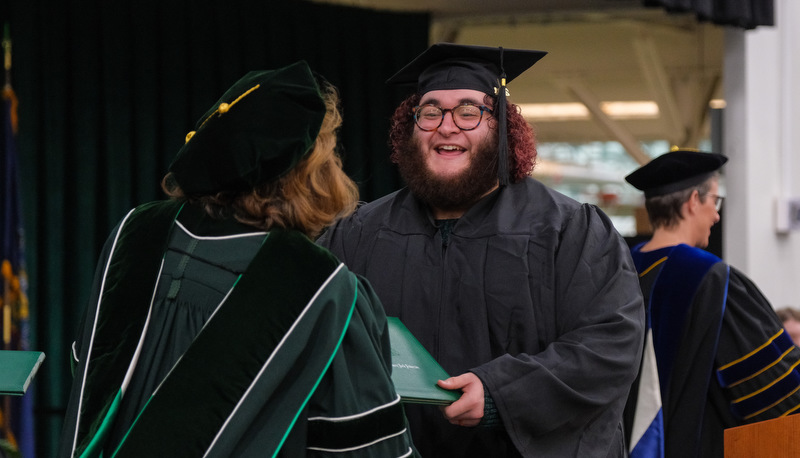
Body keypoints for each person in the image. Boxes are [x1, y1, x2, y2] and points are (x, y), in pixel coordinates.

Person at [57, 61, 417, 457]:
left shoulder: (135, 234)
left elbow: (93, 373)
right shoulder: (322, 289)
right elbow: (364, 446)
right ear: (305, 172)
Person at [318, 42, 645, 457]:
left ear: (502, 128)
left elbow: (608, 346)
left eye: (469, 111)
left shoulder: (569, 231)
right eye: (430, 111)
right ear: (410, 128)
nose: (446, 126)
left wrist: (500, 392)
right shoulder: (359, 233)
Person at [623, 149, 800, 458]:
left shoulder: (621, 271)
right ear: (694, 201)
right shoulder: (710, 279)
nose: (717, 215)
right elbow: (774, 388)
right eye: (715, 201)